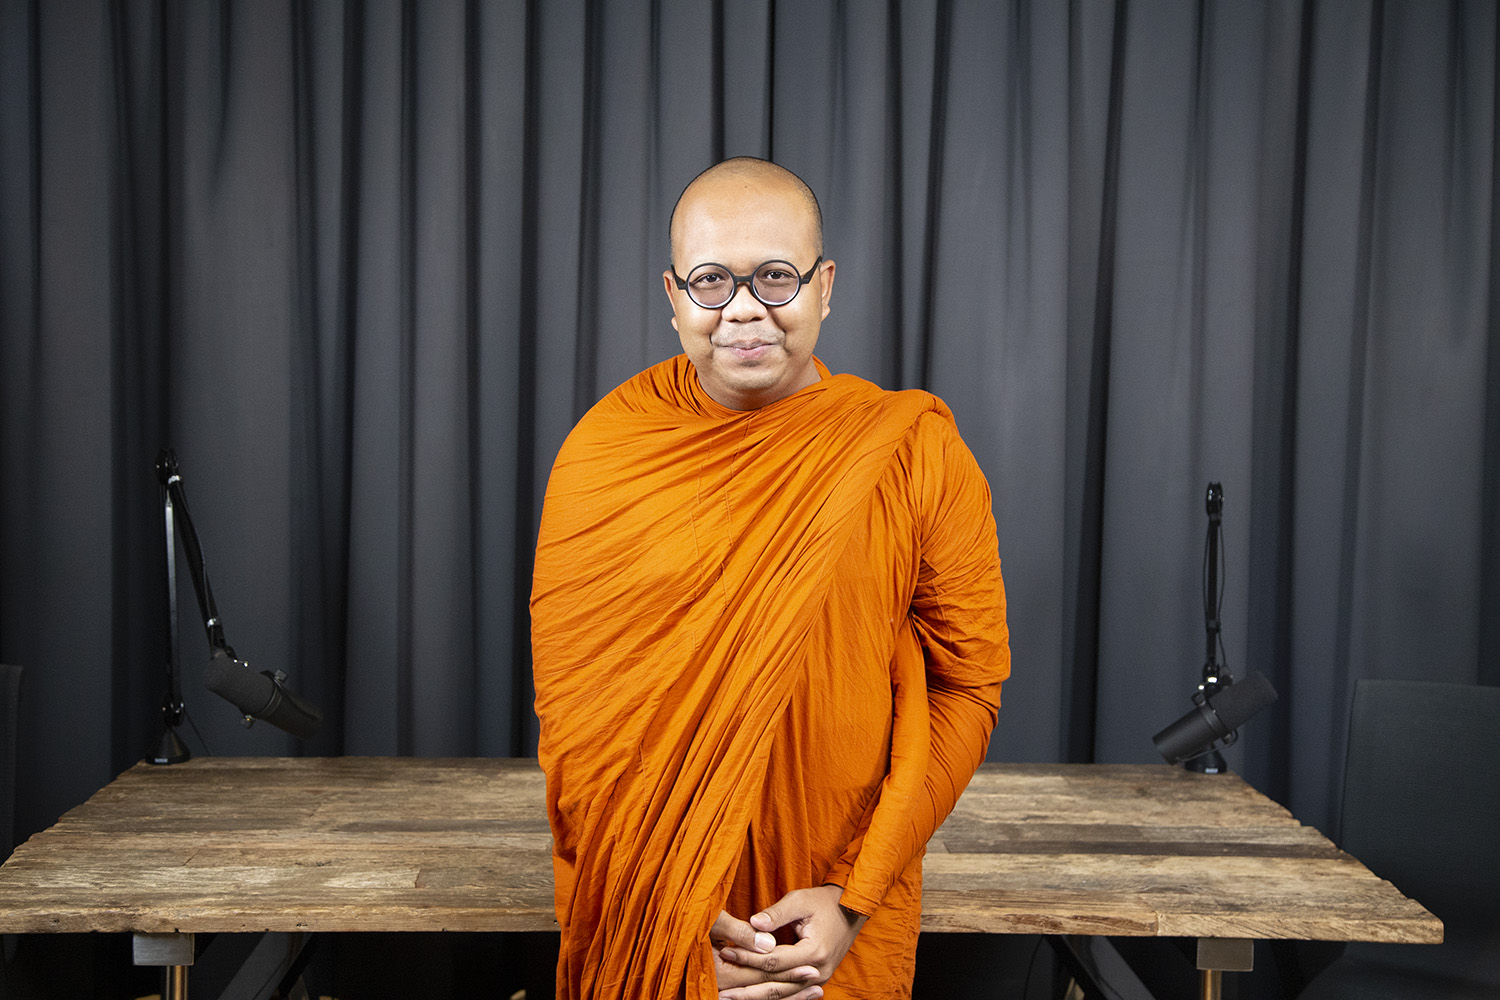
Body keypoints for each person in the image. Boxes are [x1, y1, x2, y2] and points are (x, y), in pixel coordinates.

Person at [531, 157, 1010, 1000]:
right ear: (673, 295)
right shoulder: (605, 457)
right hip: (653, 918)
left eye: (776, 276)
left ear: (825, 286)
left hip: (835, 917)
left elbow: (966, 686)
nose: (744, 307)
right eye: (712, 280)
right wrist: (669, 928)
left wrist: (853, 895)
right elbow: (578, 737)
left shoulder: (914, 453)